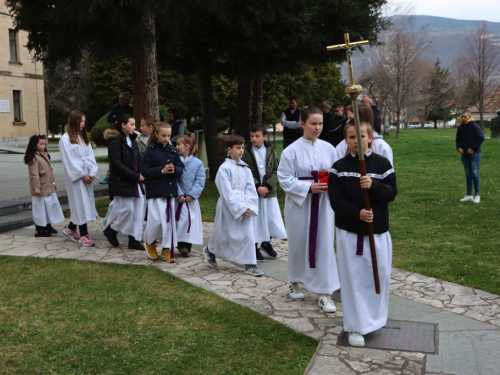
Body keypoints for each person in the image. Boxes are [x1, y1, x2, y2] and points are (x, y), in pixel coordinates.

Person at [328, 121, 397, 347]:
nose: (356, 142)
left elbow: (391, 192)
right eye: (350, 137)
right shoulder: (338, 167)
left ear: (370, 138)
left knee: (379, 276)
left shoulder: (382, 163)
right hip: (351, 235)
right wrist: (357, 213)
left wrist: (373, 186)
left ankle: (375, 320)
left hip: (377, 233)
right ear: (346, 140)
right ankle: (355, 325)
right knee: (354, 280)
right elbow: (336, 201)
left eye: (361, 136)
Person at [277, 106, 340, 313]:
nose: (318, 128)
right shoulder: (291, 151)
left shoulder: (329, 149)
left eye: (320, 123)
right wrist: (308, 187)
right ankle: (294, 280)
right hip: (301, 206)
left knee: (324, 245)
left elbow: (336, 173)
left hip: (323, 205)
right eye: (313, 123)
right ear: (303, 124)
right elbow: (284, 179)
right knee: (299, 242)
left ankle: (325, 291)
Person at [203, 135, 264, 277]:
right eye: (238, 148)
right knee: (222, 233)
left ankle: (250, 263)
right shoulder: (223, 169)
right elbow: (226, 192)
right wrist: (239, 208)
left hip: (245, 205)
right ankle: (210, 250)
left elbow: (250, 189)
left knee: (249, 235)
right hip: (228, 207)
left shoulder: (246, 169)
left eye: (242, 147)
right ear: (229, 149)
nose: (241, 150)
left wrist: (248, 206)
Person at [242, 124, 287, 261]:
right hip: (254, 190)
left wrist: (267, 185)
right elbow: (246, 170)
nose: (254, 139)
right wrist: (257, 186)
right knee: (256, 220)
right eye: (252, 136)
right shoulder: (246, 151)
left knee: (270, 219)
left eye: (257, 136)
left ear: (264, 137)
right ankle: (254, 245)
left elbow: (276, 169)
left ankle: (266, 243)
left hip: (268, 191)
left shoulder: (270, 150)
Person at [101, 114, 146, 250]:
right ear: (123, 125)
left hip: (135, 182)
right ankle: (111, 229)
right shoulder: (115, 141)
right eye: (132, 124)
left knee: (138, 210)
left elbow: (138, 159)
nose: (135, 127)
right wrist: (134, 176)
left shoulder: (132, 141)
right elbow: (117, 164)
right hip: (122, 181)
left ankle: (134, 239)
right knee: (127, 209)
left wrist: (142, 172)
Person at [141, 122, 184, 261]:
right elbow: (144, 170)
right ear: (156, 134)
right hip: (156, 192)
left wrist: (174, 170)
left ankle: (167, 248)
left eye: (169, 135)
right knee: (156, 221)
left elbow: (180, 167)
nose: (166, 138)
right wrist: (161, 171)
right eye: (163, 135)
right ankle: (150, 242)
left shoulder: (172, 150)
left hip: (169, 192)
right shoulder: (151, 150)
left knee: (168, 222)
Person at [59, 110, 99, 247]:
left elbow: (90, 157)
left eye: (84, 122)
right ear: (74, 121)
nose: (83, 124)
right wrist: (82, 175)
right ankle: (83, 233)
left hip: (86, 174)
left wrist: (92, 172)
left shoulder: (82, 138)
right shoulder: (65, 139)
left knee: (85, 202)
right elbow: (68, 161)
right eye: (80, 121)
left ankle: (70, 228)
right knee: (79, 202)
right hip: (76, 177)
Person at [24, 135, 64, 237]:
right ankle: (39, 229)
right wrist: (36, 187)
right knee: (40, 209)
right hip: (40, 188)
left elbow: (50, 170)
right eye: (41, 144)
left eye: (44, 144)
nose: (43, 146)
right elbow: (34, 174)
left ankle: (47, 225)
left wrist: (53, 182)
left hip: (48, 186)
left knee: (48, 207)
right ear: (34, 145)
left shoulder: (45, 154)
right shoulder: (33, 157)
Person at [175, 134, 206, 257]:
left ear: (187, 146)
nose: (176, 147)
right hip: (179, 199)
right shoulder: (175, 161)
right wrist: (179, 194)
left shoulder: (198, 163)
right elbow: (174, 179)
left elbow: (200, 180)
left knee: (190, 221)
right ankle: (180, 243)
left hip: (191, 200)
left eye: (178, 144)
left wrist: (192, 195)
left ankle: (188, 245)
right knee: (180, 221)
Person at [101, 92, 134, 184]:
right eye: (119, 98)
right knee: (114, 155)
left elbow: (128, 119)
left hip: (125, 134)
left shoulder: (130, 109)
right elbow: (110, 118)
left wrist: (117, 118)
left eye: (122, 98)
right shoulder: (115, 108)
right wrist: (117, 119)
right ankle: (109, 175)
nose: (120, 100)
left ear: (127, 100)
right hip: (116, 132)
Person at [456, 110, 484, 203]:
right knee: (468, 174)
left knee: (474, 173)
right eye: (462, 117)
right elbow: (458, 140)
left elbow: (481, 137)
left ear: (469, 116)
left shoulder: (474, 125)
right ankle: (469, 195)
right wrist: (458, 147)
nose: (463, 118)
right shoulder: (460, 127)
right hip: (465, 154)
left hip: (475, 154)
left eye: (464, 116)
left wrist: (473, 148)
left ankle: (477, 195)